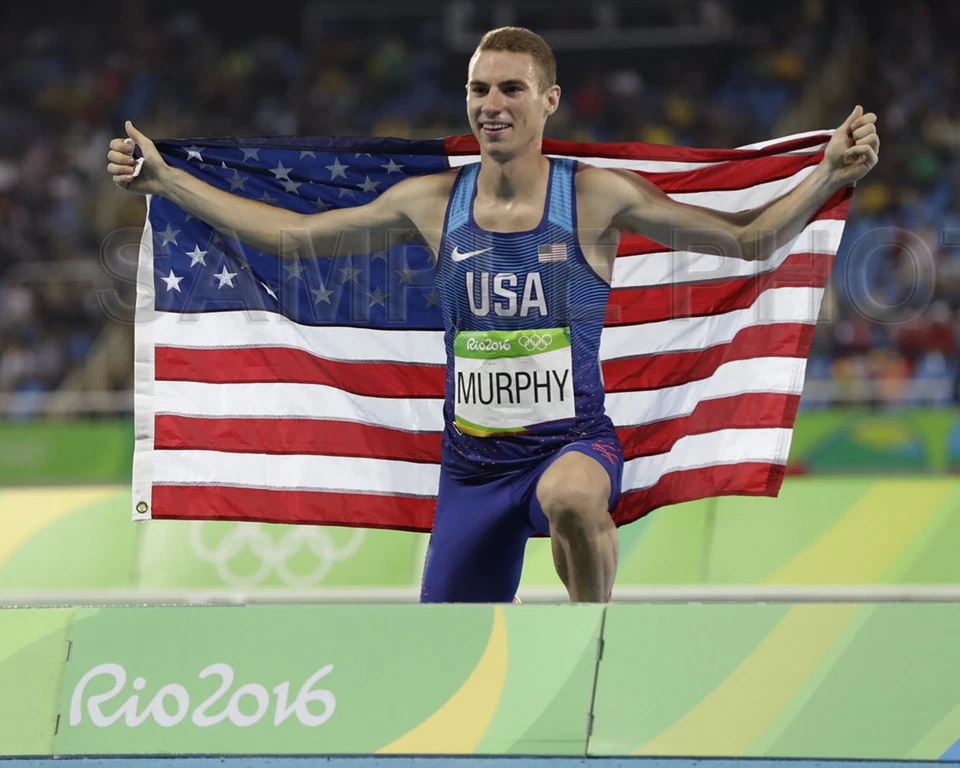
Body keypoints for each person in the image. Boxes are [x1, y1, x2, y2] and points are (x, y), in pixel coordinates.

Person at [106, 27, 879, 603]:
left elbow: (747, 242)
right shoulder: (434, 203)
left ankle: (594, 650)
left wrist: (826, 175)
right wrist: (166, 184)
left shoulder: (594, 196)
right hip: (472, 469)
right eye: (479, 90)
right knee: (451, 657)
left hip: (572, 443)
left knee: (573, 499)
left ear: (548, 100)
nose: (491, 105)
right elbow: (293, 238)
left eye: (510, 89)